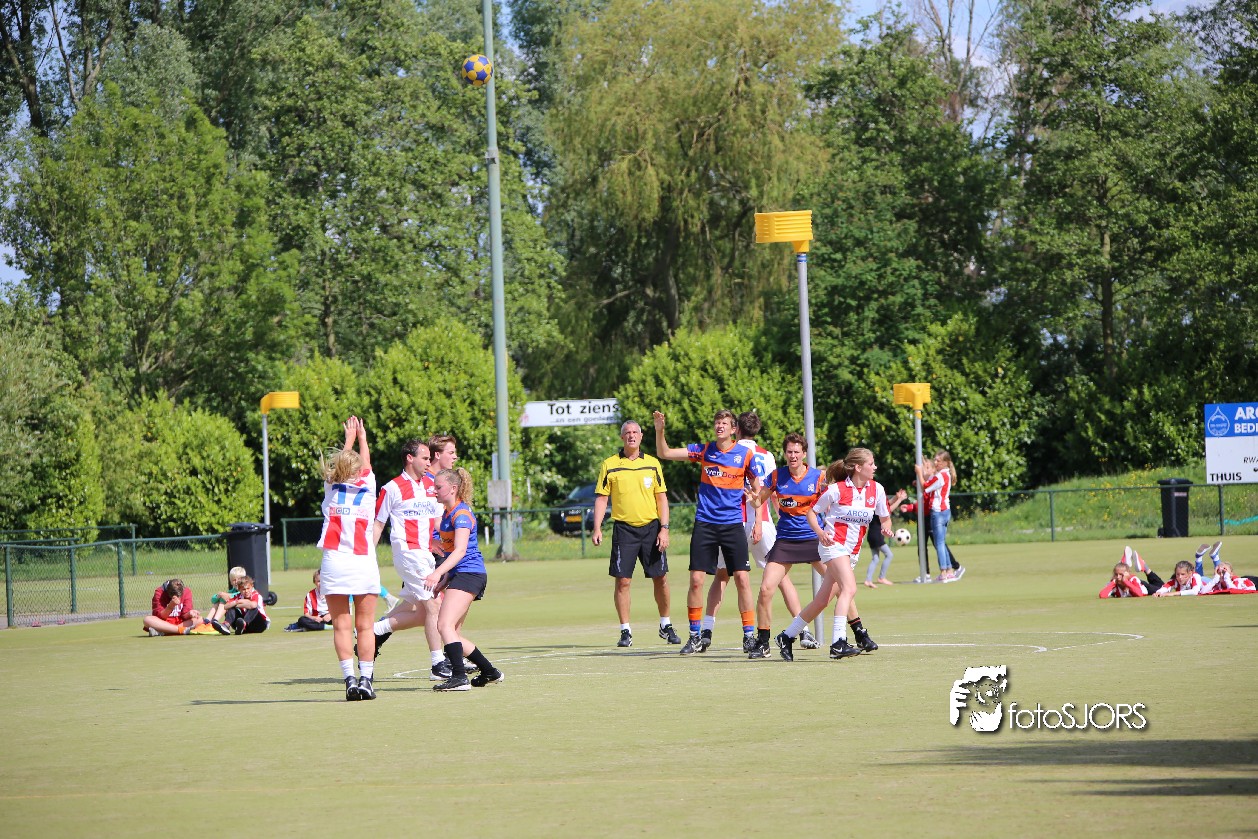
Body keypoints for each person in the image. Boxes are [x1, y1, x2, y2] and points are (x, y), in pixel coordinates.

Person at [703, 412, 815, 652]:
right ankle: (804, 630)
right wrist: (777, 519)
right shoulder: (767, 455)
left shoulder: (731, 451)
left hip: (735, 521)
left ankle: (706, 631)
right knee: (781, 578)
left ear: (736, 429)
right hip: (763, 521)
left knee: (722, 576)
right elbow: (774, 491)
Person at [653, 409, 761, 656]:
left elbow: (757, 490)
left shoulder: (745, 455)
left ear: (734, 429)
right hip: (705, 523)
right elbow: (665, 453)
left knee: (742, 579)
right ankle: (694, 636)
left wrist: (756, 512)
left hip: (732, 524)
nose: (719, 426)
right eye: (717, 422)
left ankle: (749, 636)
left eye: (724, 423)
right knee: (696, 580)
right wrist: (660, 431)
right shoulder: (704, 450)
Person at [775, 448, 888, 662]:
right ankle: (838, 643)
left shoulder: (877, 489)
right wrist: (820, 533)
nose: (875, 467)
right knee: (849, 589)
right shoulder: (836, 490)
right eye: (871, 463)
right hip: (833, 546)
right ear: (858, 467)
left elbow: (885, 517)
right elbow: (811, 512)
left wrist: (886, 527)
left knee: (822, 601)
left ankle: (787, 636)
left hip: (852, 551)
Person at [591, 420, 678, 648]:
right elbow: (602, 498)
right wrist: (597, 527)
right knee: (623, 581)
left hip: (651, 528)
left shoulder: (652, 464)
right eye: (627, 432)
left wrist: (664, 529)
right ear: (622, 437)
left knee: (661, 578)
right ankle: (625, 631)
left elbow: (662, 499)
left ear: (641, 436)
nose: (631, 436)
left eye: (635, 432)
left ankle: (666, 624)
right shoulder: (610, 464)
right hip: (624, 530)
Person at [369, 438, 450, 679]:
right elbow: (378, 524)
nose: (429, 463)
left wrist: (449, 540)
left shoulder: (431, 485)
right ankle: (438, 664)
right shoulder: (392, 488)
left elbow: (437, 521)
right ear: (409, 458)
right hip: (408, 553)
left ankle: (374, 630)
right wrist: (367, 557)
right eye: (425, 458)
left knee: (421, 612)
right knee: (434, 605)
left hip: (426, 554)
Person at [745, 432, 826, 659]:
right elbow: (759, 500)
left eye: (796, 452)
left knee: (840, 584)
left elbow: (832, 503)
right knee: (765, 589)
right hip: (786, 540)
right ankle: (763, 642)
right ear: (785, 453)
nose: (793, 456)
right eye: (789, 452)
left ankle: (854, 633)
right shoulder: (776, 476)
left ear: (804, 454)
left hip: (813, 539)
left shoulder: (818, 478)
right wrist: (754, 500)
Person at [318, 415, 381, 701]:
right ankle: (366, 679)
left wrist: (350, 439)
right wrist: (362, 438)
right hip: (362, 561)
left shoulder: (331, 486)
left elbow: (344, 464)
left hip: (334, 562)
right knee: (365, 626)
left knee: (341, 625)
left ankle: (349, 680)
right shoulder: (368, 486)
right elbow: (365, 465)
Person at [424, 467, 504, 691]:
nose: (434, 491)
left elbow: (460, 551)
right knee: (452, 633)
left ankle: (459, 678)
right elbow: (452, 553)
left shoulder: (461, 514)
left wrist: (437, 573)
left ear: (453, 488)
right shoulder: (447, 514)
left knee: (444, 625)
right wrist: (446, 578)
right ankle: (489, 671)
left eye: (438, 487)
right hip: (462, 574)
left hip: (470, 574)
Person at [917, 450, 963, 582]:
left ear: (946, 463)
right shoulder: (945, 474)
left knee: (939, 544)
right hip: (945, 511)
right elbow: (929, 481)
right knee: (941, 542)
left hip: (938, 512)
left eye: (938, 460)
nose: (935, 462)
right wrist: (925, 467)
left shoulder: (941, 476)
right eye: (935, 460)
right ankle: (949, 571)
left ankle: (943, 571)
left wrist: (919, 473)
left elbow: (924, 486)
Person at [863, 489, 908, 587]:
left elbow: (888, 504)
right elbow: (889, 509)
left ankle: (868, 580)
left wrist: (896, 497)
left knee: (875, 559)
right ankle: (881, 578)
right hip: (877, 535)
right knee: (889, 555)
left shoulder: (874, 504)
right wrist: (900, 500)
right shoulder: (877, 507)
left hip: (871, 535)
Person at [141, 579, 209, 635]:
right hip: (164, 623)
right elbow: (160, 617)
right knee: (147, 620)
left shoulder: (187, 591)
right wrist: (171, 606)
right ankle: (181, 630)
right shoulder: (159, 592)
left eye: (179, 596)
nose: (178, 598)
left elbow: (184, 616)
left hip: (180, 623)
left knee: (199, 619)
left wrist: (190, 613)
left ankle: (164, 632)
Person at [1098, 548, 1164, 598]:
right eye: (1116, 574)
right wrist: (1113, 582)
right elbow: (1102, 595)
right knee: (1162, 586)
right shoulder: (1113, 583)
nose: (1118, 577)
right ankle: (1126, 564)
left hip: (1142, 586)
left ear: (1127, 574)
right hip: (1129, 580)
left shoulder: (1134, 579)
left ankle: (1144, 567)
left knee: (1162, 588)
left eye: (1121, 574)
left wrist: (1126, 581)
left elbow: (1139, 594)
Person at [204, 566, 246, 632]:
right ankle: (207, 621)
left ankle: (215, 621)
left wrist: (225, 595)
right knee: (219, 600)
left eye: (238, 579)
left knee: (224, 599)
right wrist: (219, 595)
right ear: (231, 581)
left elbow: (236, 596)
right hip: (232, 619)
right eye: (234, 580)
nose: (236, 582)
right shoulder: (231, 591)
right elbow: (213, 600)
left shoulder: (244, 591)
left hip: (241, 620)